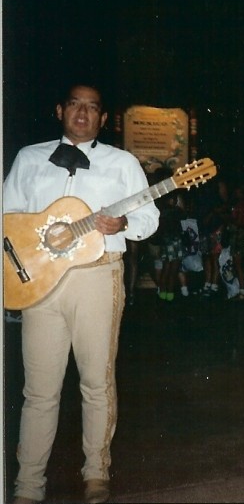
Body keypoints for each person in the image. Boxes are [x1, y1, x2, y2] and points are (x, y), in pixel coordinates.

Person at [3, 82, 159, 504]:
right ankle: (28, 485)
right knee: (38, 390)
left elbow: (150, 216)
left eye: (93, 108)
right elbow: (6, 222)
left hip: (98, 277)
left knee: (96, 382)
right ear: (60, 110)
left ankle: (96, 472)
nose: (84, 114)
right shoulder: (29, 158)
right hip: (40, 286)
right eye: (76, 105)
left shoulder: (122, 162)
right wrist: (19, 269)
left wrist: (124, 225)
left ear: (103, 119)